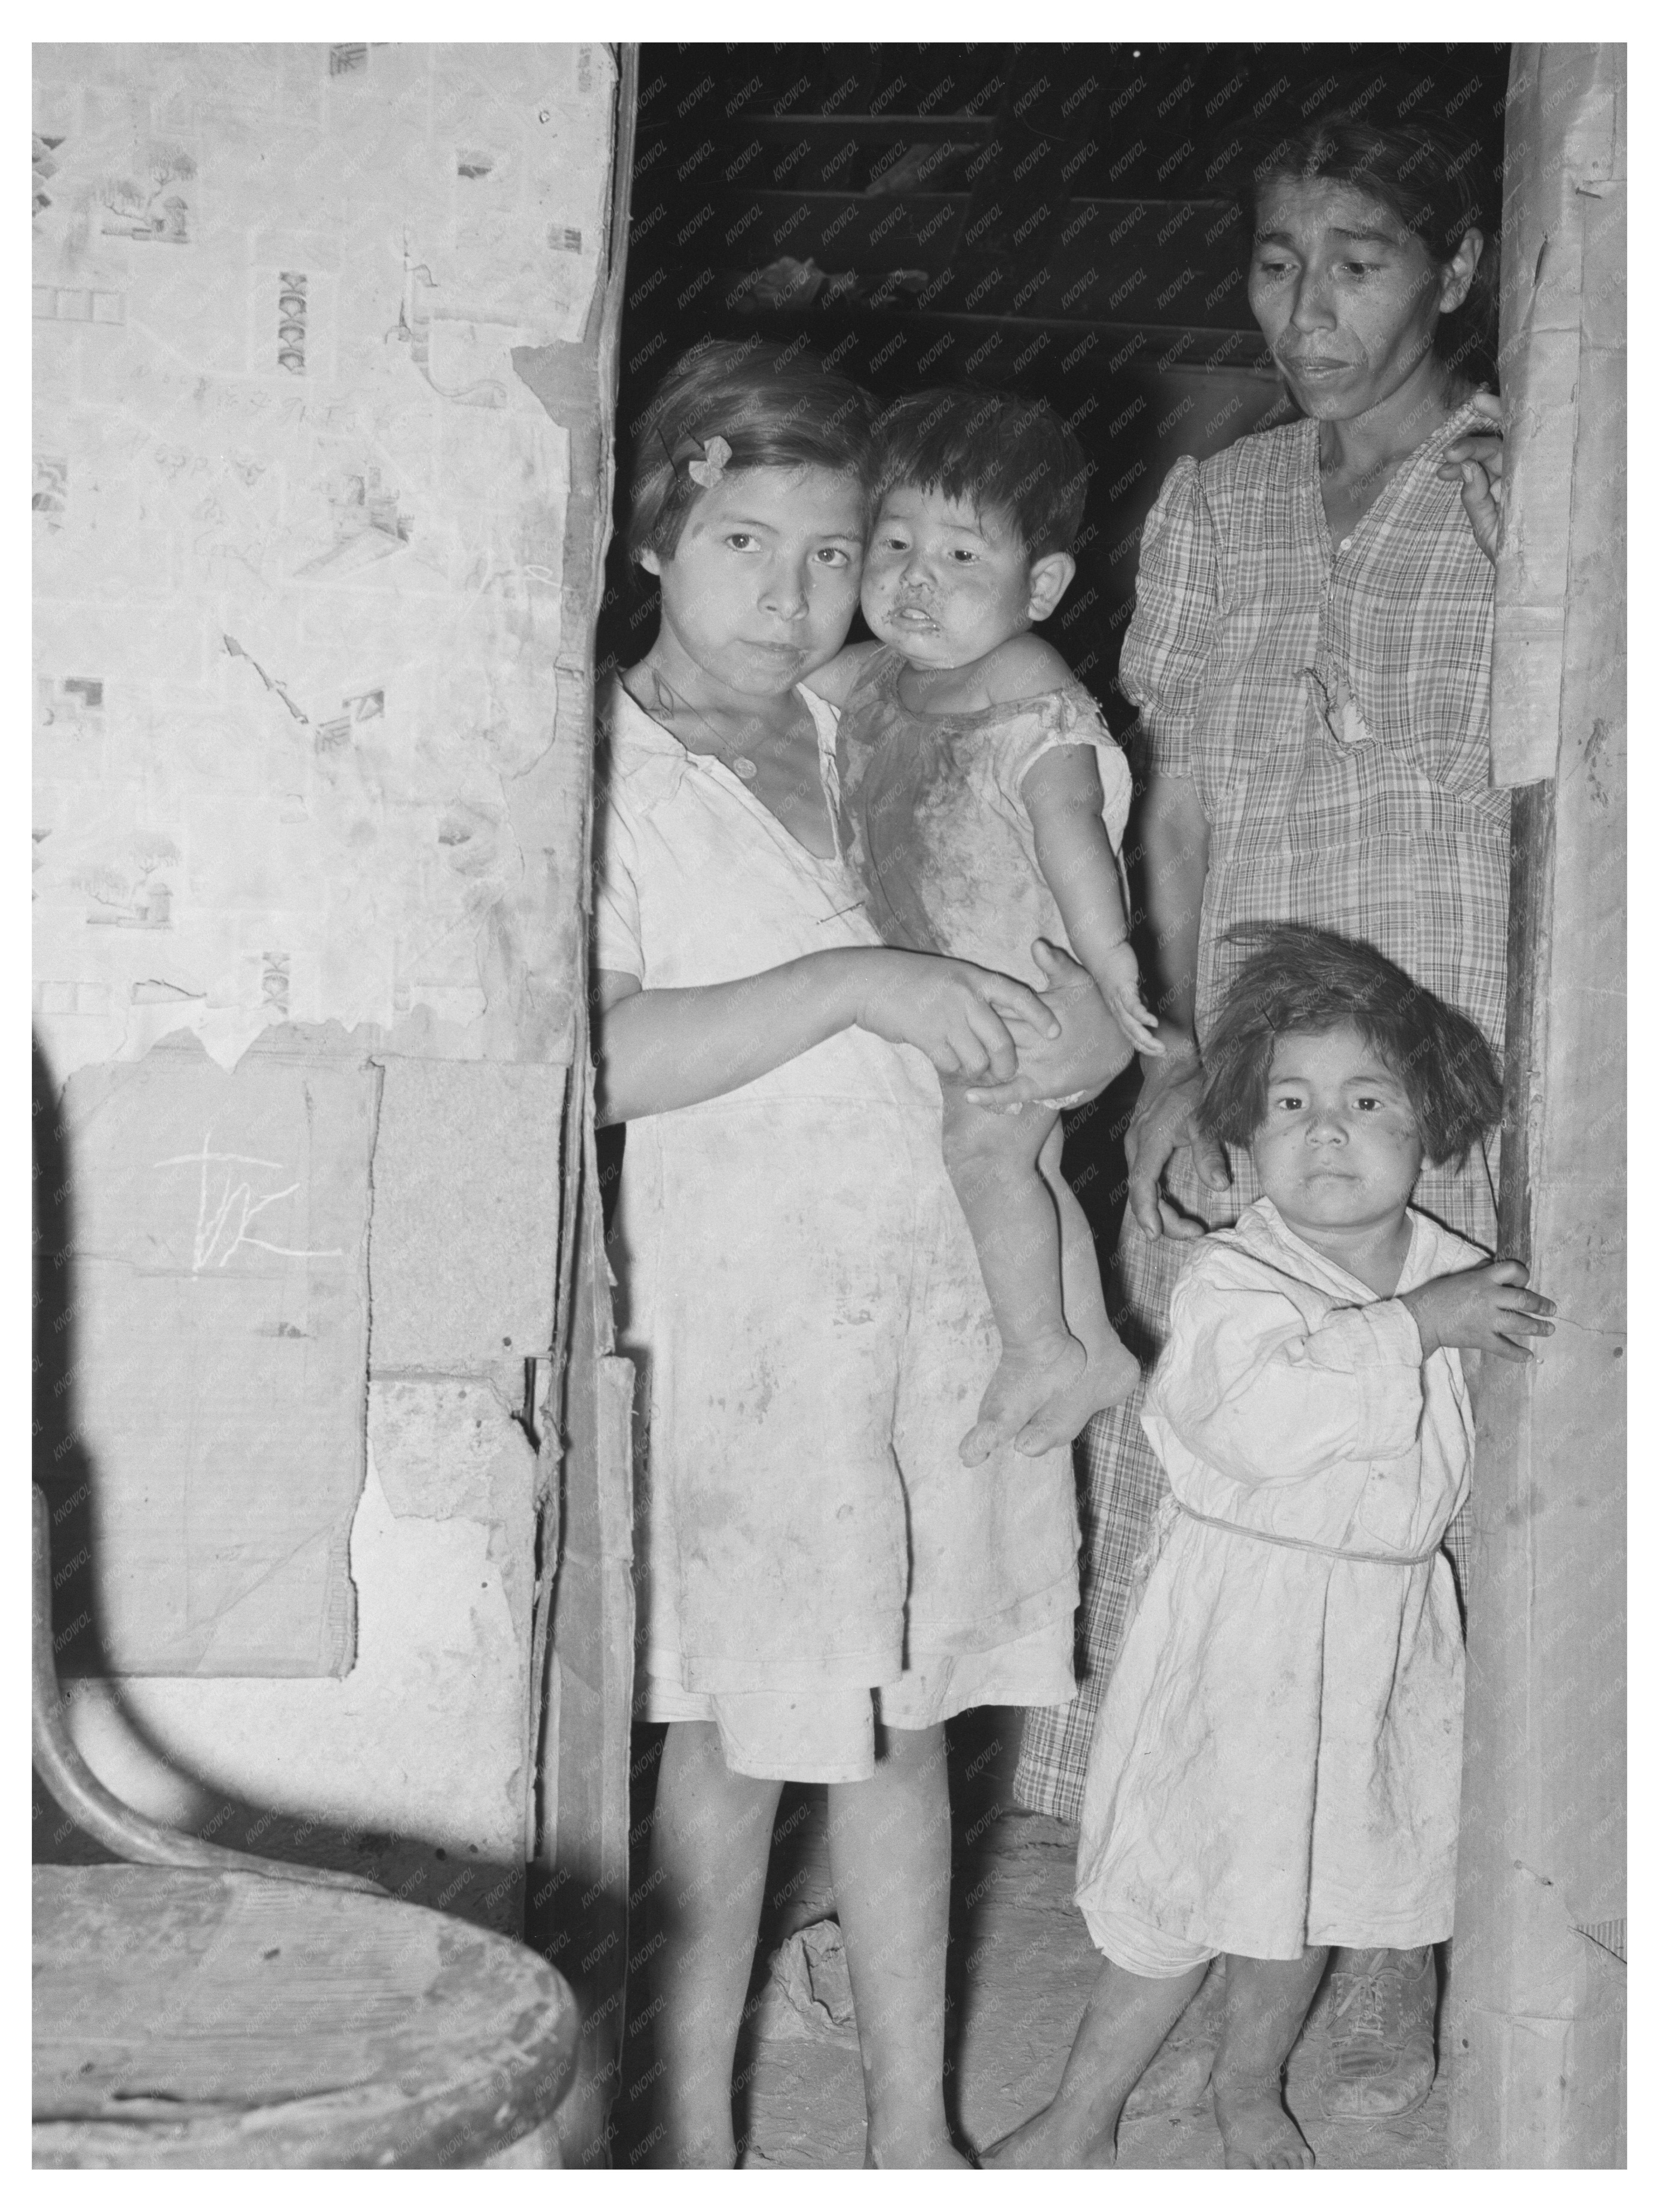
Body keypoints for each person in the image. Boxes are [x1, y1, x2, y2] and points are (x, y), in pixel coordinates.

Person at [1007, 110, 1513, 2117]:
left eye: (1359, 263)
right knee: (1218, 1488)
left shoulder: (1530, 489)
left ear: (1451, 273)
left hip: (1446, 1074)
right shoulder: (1214, 503)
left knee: (1426, 1485)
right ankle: (1178, 1906)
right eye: (1278, 263)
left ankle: (1392, 1949)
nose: (1309, 310)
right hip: (1249, 1070)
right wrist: (1166, 1060)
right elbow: (1184, 805)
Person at [593, 339, 1121, 2168]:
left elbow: (1048, 931)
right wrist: (851, 983)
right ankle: (688, 2145)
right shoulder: (603, 767)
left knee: (905, 1715)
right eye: (745, 543)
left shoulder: (881, 716)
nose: (795, 595)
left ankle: (911, 2133)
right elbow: (605, 1057)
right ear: (654, 538)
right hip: (746, 1310)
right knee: (737, 1740)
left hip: (935, 1290)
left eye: (833, 554)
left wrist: (1089, 1033)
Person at [988, 926, 1552, 2169]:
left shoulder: (1457, 1274)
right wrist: (1413, 1330)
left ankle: (1245, 2084)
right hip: (1243, 1625)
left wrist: (1444, 1318)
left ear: (1430, 1122)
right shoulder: (1232, 1279)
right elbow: (1253, 1425)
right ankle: (1080, 2115)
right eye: (1290, 1104)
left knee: (1306, 1890)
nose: (1326, 1130)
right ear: (1247, 1129)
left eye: (1366, 1101)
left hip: (1377, 1629)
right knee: (1181, 1889)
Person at [818, 388, 1147, 1467]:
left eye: (961, 555)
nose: (917, 579)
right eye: (895, 545)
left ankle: (1040, 1348)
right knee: (1032, 1167)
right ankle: (1094, 1345)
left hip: (1023, 993)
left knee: (985, 1150)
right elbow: (774, 690)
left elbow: (1073, 832)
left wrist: (1110, 966)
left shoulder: (1025, 690)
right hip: (969, 987)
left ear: (1039, 587)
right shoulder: (884, 676)